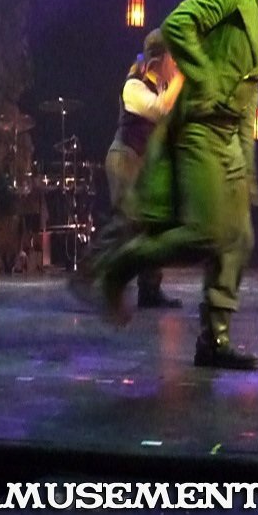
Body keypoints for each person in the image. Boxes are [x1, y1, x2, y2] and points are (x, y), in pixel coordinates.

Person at [93, 0, 258, 370]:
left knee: (240, 239)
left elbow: (248, 105)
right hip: (200, 130)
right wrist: (204, 76)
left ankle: (214, 339)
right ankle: (120, 265)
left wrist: (247, 169)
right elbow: (177, 24)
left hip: (229, 138)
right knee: (207, 233)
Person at [69, 29, 184, 308]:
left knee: (154, 226)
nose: (175, 65)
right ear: (161, 58)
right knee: (126, 224)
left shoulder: (159, 88)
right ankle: (85, 275)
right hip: (125, 159)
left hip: (142, 164)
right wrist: (181, 79)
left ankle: (150, 290)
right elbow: (160, 110)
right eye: (173, 59)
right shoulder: (133, 86)